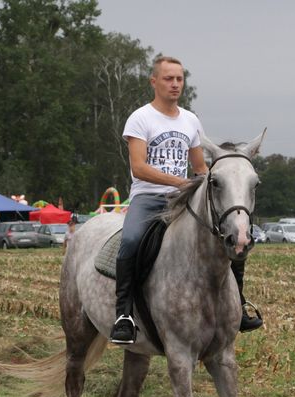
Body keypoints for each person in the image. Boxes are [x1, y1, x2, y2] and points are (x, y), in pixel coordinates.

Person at [109, 55, 262, 344]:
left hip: (185, 200)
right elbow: (139, 168)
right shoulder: (140, 118)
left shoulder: (190, 120)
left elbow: (200, 168)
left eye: (179, 79)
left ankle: (238, 306)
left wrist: (213, 182)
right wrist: (180, 182)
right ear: (154, 81)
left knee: (232, 239)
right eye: (168, 78)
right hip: (149, 198)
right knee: (130, 241)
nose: (175, 84)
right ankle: (123, 316)